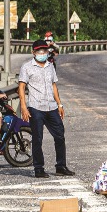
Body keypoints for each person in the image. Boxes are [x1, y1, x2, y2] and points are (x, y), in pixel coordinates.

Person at [18, 39, 73, 178]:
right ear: (33, 52)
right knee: (37, 138)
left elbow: (54, 86)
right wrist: (24, 107)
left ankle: (61, 166)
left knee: (60, 135)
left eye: (44, 50)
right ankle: (38, 168)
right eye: (39, 51)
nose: (42, 53)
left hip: (51, 106)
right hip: (36, 107)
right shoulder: (26, 67)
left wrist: (59, 104)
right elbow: (21, 87)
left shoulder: (50, 66)